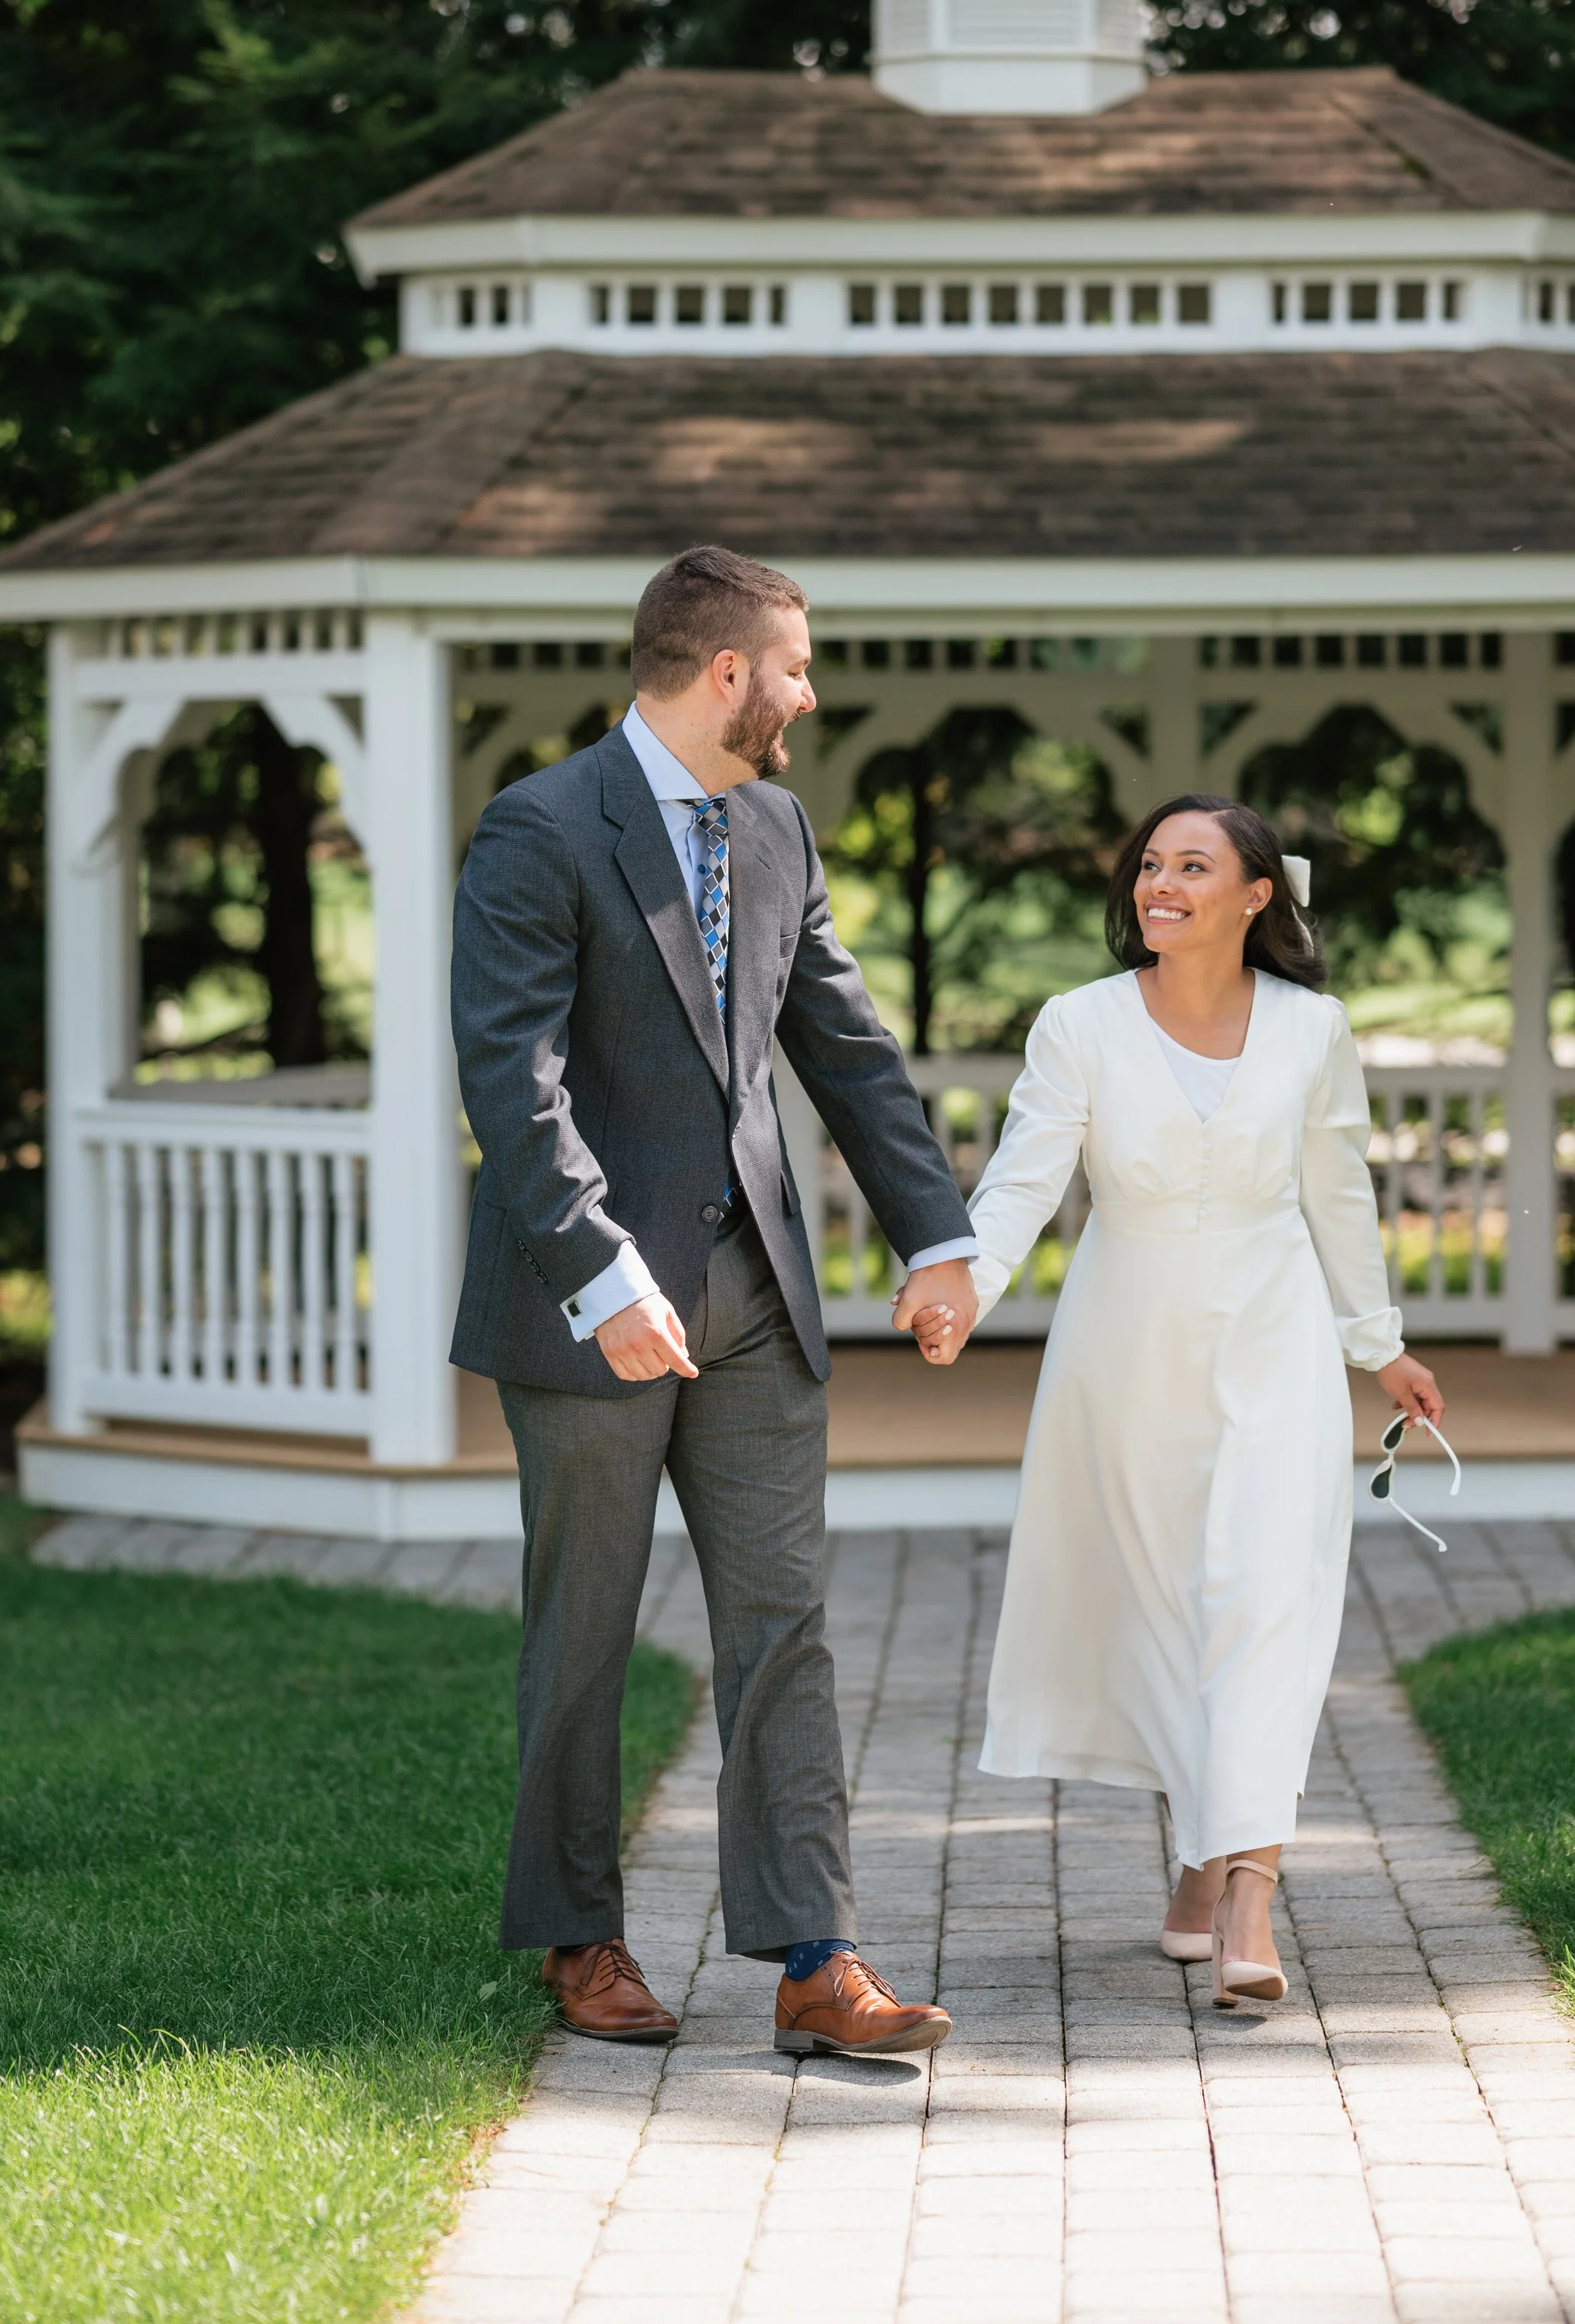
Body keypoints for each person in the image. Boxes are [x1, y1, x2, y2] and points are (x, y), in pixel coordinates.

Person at [451, 545, 977, 2057]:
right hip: (590, 1300)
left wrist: (928, 1236)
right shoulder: (540, 830)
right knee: (586, 1630)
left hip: (754, 1297)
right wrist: (597, 1272)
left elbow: (848, 1047)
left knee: (783, 1623)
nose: (809, 693)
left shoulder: (776, 828)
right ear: (724, 671)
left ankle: (817, 1961)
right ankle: (579, 1938)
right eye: (795, 667)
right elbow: (512, 1074)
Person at [913, 796, 1443, 2009]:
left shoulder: (1315, 1031)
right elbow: (1025, 1176)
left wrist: (1382, 1348)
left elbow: (1339, 1196)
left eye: (1192, 866)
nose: (1160, 883)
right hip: (1123, 1355)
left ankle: (1250, 1894)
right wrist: (967, 1285)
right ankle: (1200, 1854)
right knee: (1165, 1612)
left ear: (1257, 896)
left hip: (1276, 1343)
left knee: (1264, 1599)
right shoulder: (1079, 1025)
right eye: (1151, 864)